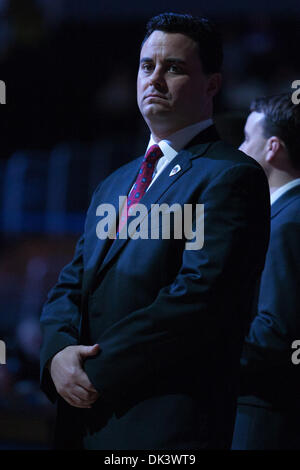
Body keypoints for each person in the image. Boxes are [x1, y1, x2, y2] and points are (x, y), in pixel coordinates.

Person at [40, 13, 270, 450]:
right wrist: (56, 354)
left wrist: (92, 370)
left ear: (212, 85)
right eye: (148, 66)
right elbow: (69, 286)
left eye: (175, 67)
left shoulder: (231, 176)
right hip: (84, 419)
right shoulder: (113, 183)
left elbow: (199, 299)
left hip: (162, 424)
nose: (156, 79)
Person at [232, 93, 300, 450]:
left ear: (272, 147)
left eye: (246, 138)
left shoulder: (287, 221)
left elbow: (273, 334)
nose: (240, 149)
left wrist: (201, 350)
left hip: (263, 417)